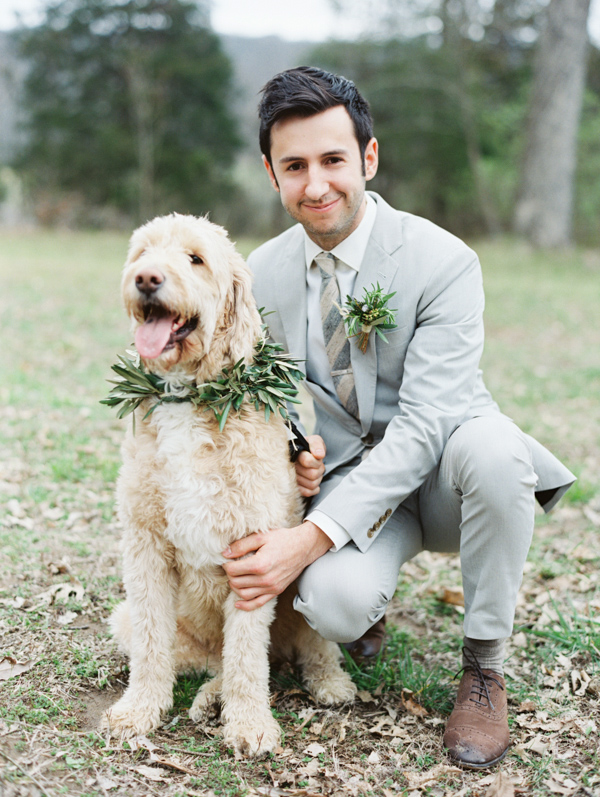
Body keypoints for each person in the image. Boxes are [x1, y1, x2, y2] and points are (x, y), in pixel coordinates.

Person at [221, 66, 575, 769]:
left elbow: (424, 426)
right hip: (352, 483)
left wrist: (307, 538)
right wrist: (299, 446)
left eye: (333, 160)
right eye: (295, 166)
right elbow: (265, 392)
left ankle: (483, 668)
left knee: (500, 450)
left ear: (369, 159)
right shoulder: (261, 271)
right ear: (271, 174)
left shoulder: (445, 260)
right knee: (334, 603)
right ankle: (368, 600)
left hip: (449, 475)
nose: (316, 184)